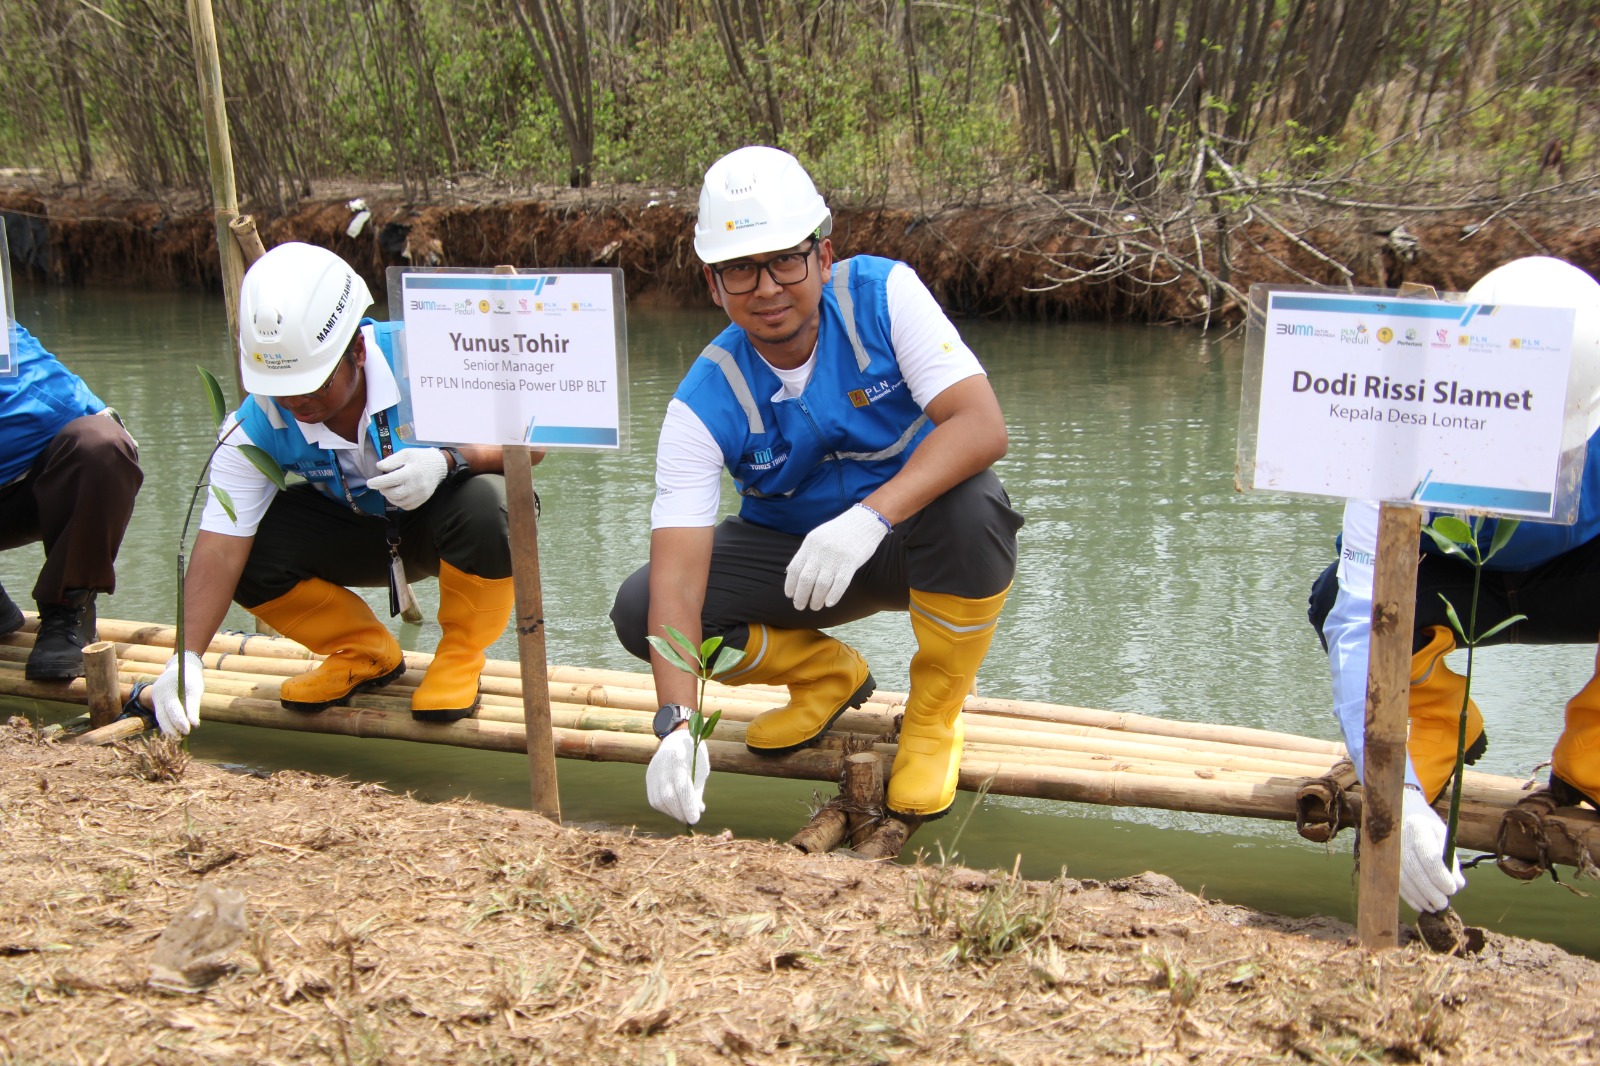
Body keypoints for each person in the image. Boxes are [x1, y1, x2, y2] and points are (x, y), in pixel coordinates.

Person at [610, 146, 1023, 826]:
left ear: (824, 256)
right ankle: (825, 675)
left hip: (911, 542)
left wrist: (870, 517)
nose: (767, 287)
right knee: (640, 608)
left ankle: (933, 719)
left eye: (785, 260)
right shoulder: (700, 402)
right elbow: (678, 581)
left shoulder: (885, 297)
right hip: (797, 567)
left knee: (976, 505)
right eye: (740, 269)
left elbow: (981, 424)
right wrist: (676, 725)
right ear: (713, 285)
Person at [1309, 255, 1600, 915]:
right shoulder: (1401, 416)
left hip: (1579, 580)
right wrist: (1398, 793)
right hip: (1452, 584)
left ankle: (1595, 755)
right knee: (1330, 595)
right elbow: (1356, 614)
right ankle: (1433, 730)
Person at [141, 242, 527, 738]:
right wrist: (187, 657)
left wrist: (448, 459)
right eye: (282, 388)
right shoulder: (255, 422)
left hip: (444, 525)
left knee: (491, 501)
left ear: (358, 351)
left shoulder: (430, 354)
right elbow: (218, 547)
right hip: (359, 530)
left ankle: (460, 655)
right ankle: (363, 652)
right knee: (249, 547)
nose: (297, 402)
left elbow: (531, 444)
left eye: (315, 384)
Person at [0, 323, 142, 680]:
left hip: (35, 486)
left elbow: (104, 437)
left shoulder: (13, 352)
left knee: (100, 444)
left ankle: (68, 610)